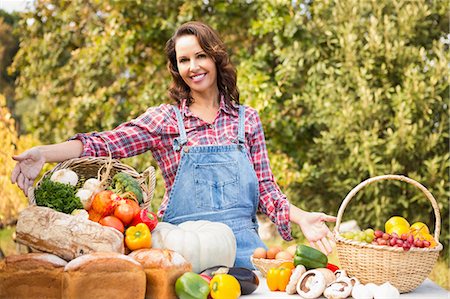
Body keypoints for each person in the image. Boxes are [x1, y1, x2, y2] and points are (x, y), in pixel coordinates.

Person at [11, 21, 336, 269]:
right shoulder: (166, 121)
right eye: (184, 60)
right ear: (177, 68)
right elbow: (106, 143)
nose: (193, 66)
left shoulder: (246, 120)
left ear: (215, 57)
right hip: (179, 261)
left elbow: (267, 190)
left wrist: (301, 216)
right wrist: (44, 153)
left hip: (245, 258)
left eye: (200, 56)